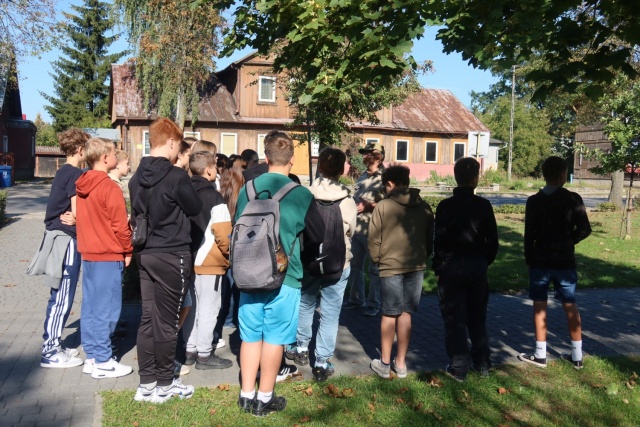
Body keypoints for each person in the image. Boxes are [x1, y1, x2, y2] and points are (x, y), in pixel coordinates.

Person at [235, 130, 323, 416]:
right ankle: (265, 398)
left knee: (250, 336)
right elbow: (318, 234)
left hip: (249, 271)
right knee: (274, 338)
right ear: (292, 160)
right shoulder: (301, 194)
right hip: (286, 275)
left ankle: (246, 395)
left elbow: (237, 226)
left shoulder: (247, 190)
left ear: (266, 157)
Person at [129, 117, 202, 403]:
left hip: (145, 253)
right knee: (167, 322)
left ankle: (146, 383)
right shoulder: (176, 177)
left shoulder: (136, 177)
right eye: (179, 144)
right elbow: (195, 208)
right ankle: (164, 384)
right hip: (172, 254)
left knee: (148, 319)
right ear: (171, 142)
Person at [288, 148, 357, 382]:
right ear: (342, 170)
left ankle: (300, 348)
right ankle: (321, 361)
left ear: (319, 167)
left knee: (305, 303)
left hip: (309, 258)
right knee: (330, 313)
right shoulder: (347, 199)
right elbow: (352, 230)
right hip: (338, 262)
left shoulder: (306, 194)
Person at [518, 156, 591, 370]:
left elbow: (529, 235)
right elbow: (585, 229)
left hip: (540, 259)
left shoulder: (534, 201)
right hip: (564, 260)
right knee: (570, 304)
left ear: (544, 174)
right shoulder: (573, 199)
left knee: (539, 306)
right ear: (563, 175)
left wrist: (529, 259)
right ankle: (577, 355)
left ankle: (540, 354)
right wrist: (569, 240)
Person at [433, 157, 499, 382]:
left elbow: (439, 240)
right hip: (476, 265)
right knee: (477, 317)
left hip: (452, 267)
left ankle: (459, 367)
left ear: (455, 176)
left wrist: (438, 265)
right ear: (476, 178)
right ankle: (482, 363)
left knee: (454, 319)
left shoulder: (445, 206)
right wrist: (484, 261)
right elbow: (493, 241)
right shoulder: (483, 205)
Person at [28, 128, 89, 368]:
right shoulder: (74, 173)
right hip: (65, 241)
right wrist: (80, 218)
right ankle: (50, 350)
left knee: (61, 294)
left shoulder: (63, 171)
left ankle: (55, 345)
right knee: (62, 296)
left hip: (59, 238)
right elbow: (77, 210)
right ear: (81, 149)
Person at [75, 138, 134, 379]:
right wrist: (128, 250)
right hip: (108, 254)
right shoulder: (109, 187)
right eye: (112, 153)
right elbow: (120, 226)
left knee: (91, 307)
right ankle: (103, 360)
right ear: (104, 157)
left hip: (89, 253)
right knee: (107, 310)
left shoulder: (82, 184)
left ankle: (92, 355)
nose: (115, 156)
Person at [369, 165, 434, 379]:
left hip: (390, 266)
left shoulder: (383, 206)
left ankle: (384, 363)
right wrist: (422, 258)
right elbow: (429, 239)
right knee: (406, 314)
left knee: (389, 313)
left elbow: (374, 238)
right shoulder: (424, 207)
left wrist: (377, 260)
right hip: (415, 266)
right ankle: (401, 363)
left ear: (389, 184)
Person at [183, 151, 234, 370]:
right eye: (214, 166)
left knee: (191, 307)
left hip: (187, 258)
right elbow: (224, 234)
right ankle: (204, 355)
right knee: (209, 308)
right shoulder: (214, 197)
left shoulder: (183, 192)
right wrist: (228, 254)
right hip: (209, 261)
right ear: (209, 170)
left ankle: (189, 350)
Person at [343, 141, 385, 317]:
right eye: (364, 153)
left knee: (375, 270)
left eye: (368, 153)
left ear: (378, 157)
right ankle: (356, 299)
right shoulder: (362, 176)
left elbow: (389, 204)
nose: (364, 156)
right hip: (357, 229)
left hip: (374, 231)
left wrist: (370, 206)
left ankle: (374, 303)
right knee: (355, 266)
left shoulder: (385, 177)